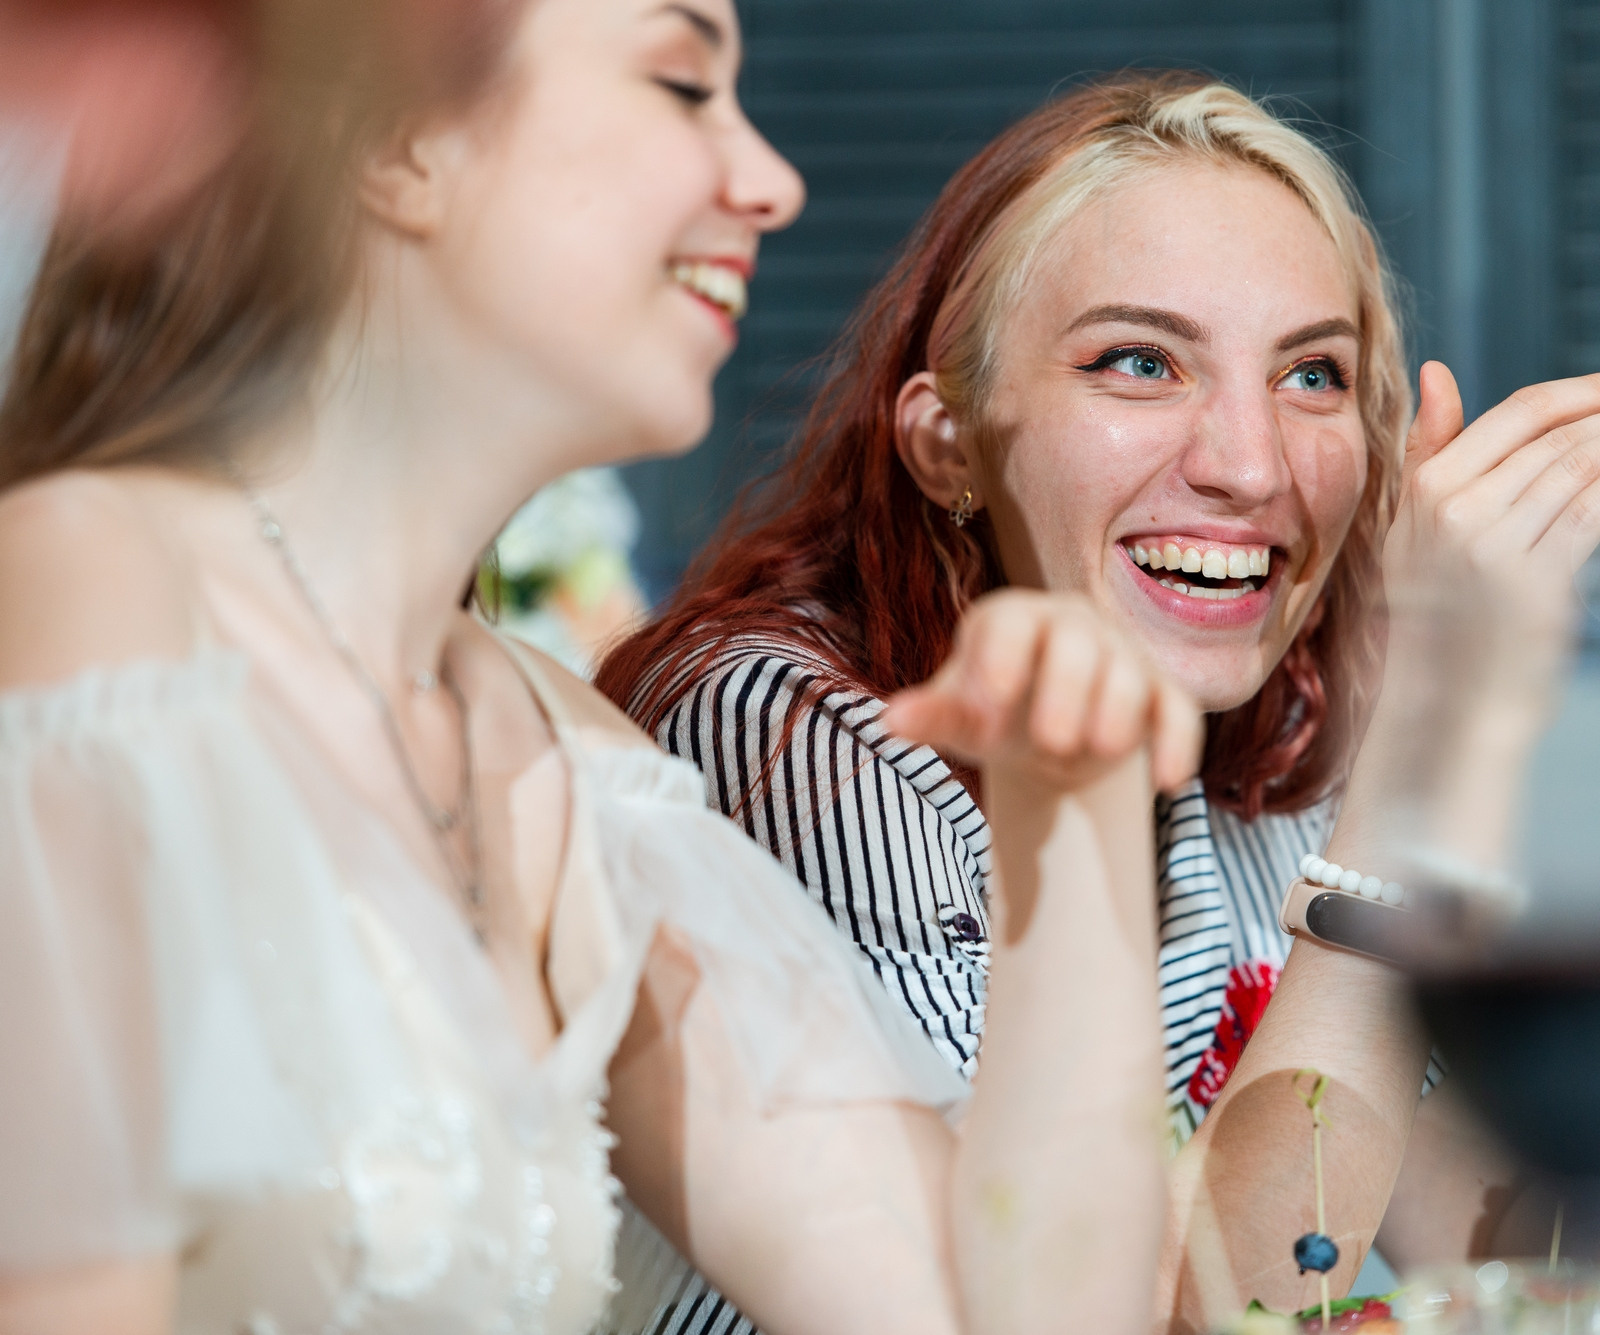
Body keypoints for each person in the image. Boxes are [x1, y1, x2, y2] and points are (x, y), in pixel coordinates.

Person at [0, 3, 1203, 1332]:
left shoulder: (569, 769)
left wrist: (1066, 807)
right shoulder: (90, 591)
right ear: (403, 141)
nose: (772, 179)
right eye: (684, 84)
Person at [599, 72, 1600, 1334]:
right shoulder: (787, 736)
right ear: (947, 444)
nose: (1249, 465)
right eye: (1140, 362)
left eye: (1311, 377)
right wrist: (1420, 765)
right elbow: (1148, 1313)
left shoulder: (1267, 726)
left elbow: (1518, 1265)